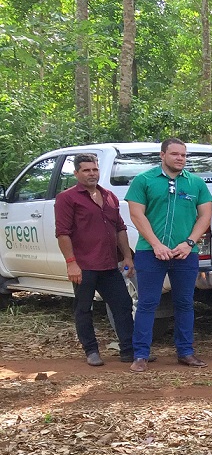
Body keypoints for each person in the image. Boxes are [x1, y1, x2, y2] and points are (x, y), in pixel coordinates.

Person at [125, 137, 212, 371]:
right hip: (150, 252)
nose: (180, 159)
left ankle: (186, 352)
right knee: (147, 303)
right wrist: (156, 244)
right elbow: (137, 215)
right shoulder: (144, 181)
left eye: (184, 155)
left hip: (186, 254)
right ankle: (141, 355)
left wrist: (189, 243)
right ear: (162, 155)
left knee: (184, 303)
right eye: (175, 154)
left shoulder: (195, 183)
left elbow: (205, 216)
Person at [55, 153, 137, 367]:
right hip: (84, 265)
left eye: (94, 169)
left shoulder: (109, 196)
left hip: (109, 264)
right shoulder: (67, 198)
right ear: (76, 173)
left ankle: (128, 350)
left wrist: (127, 256)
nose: (92, 174)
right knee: (84, 308)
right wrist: (71, 262)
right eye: (86, 170)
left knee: (123, 304)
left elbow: (120, 228)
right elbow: (63, 233)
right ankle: (91, 351)